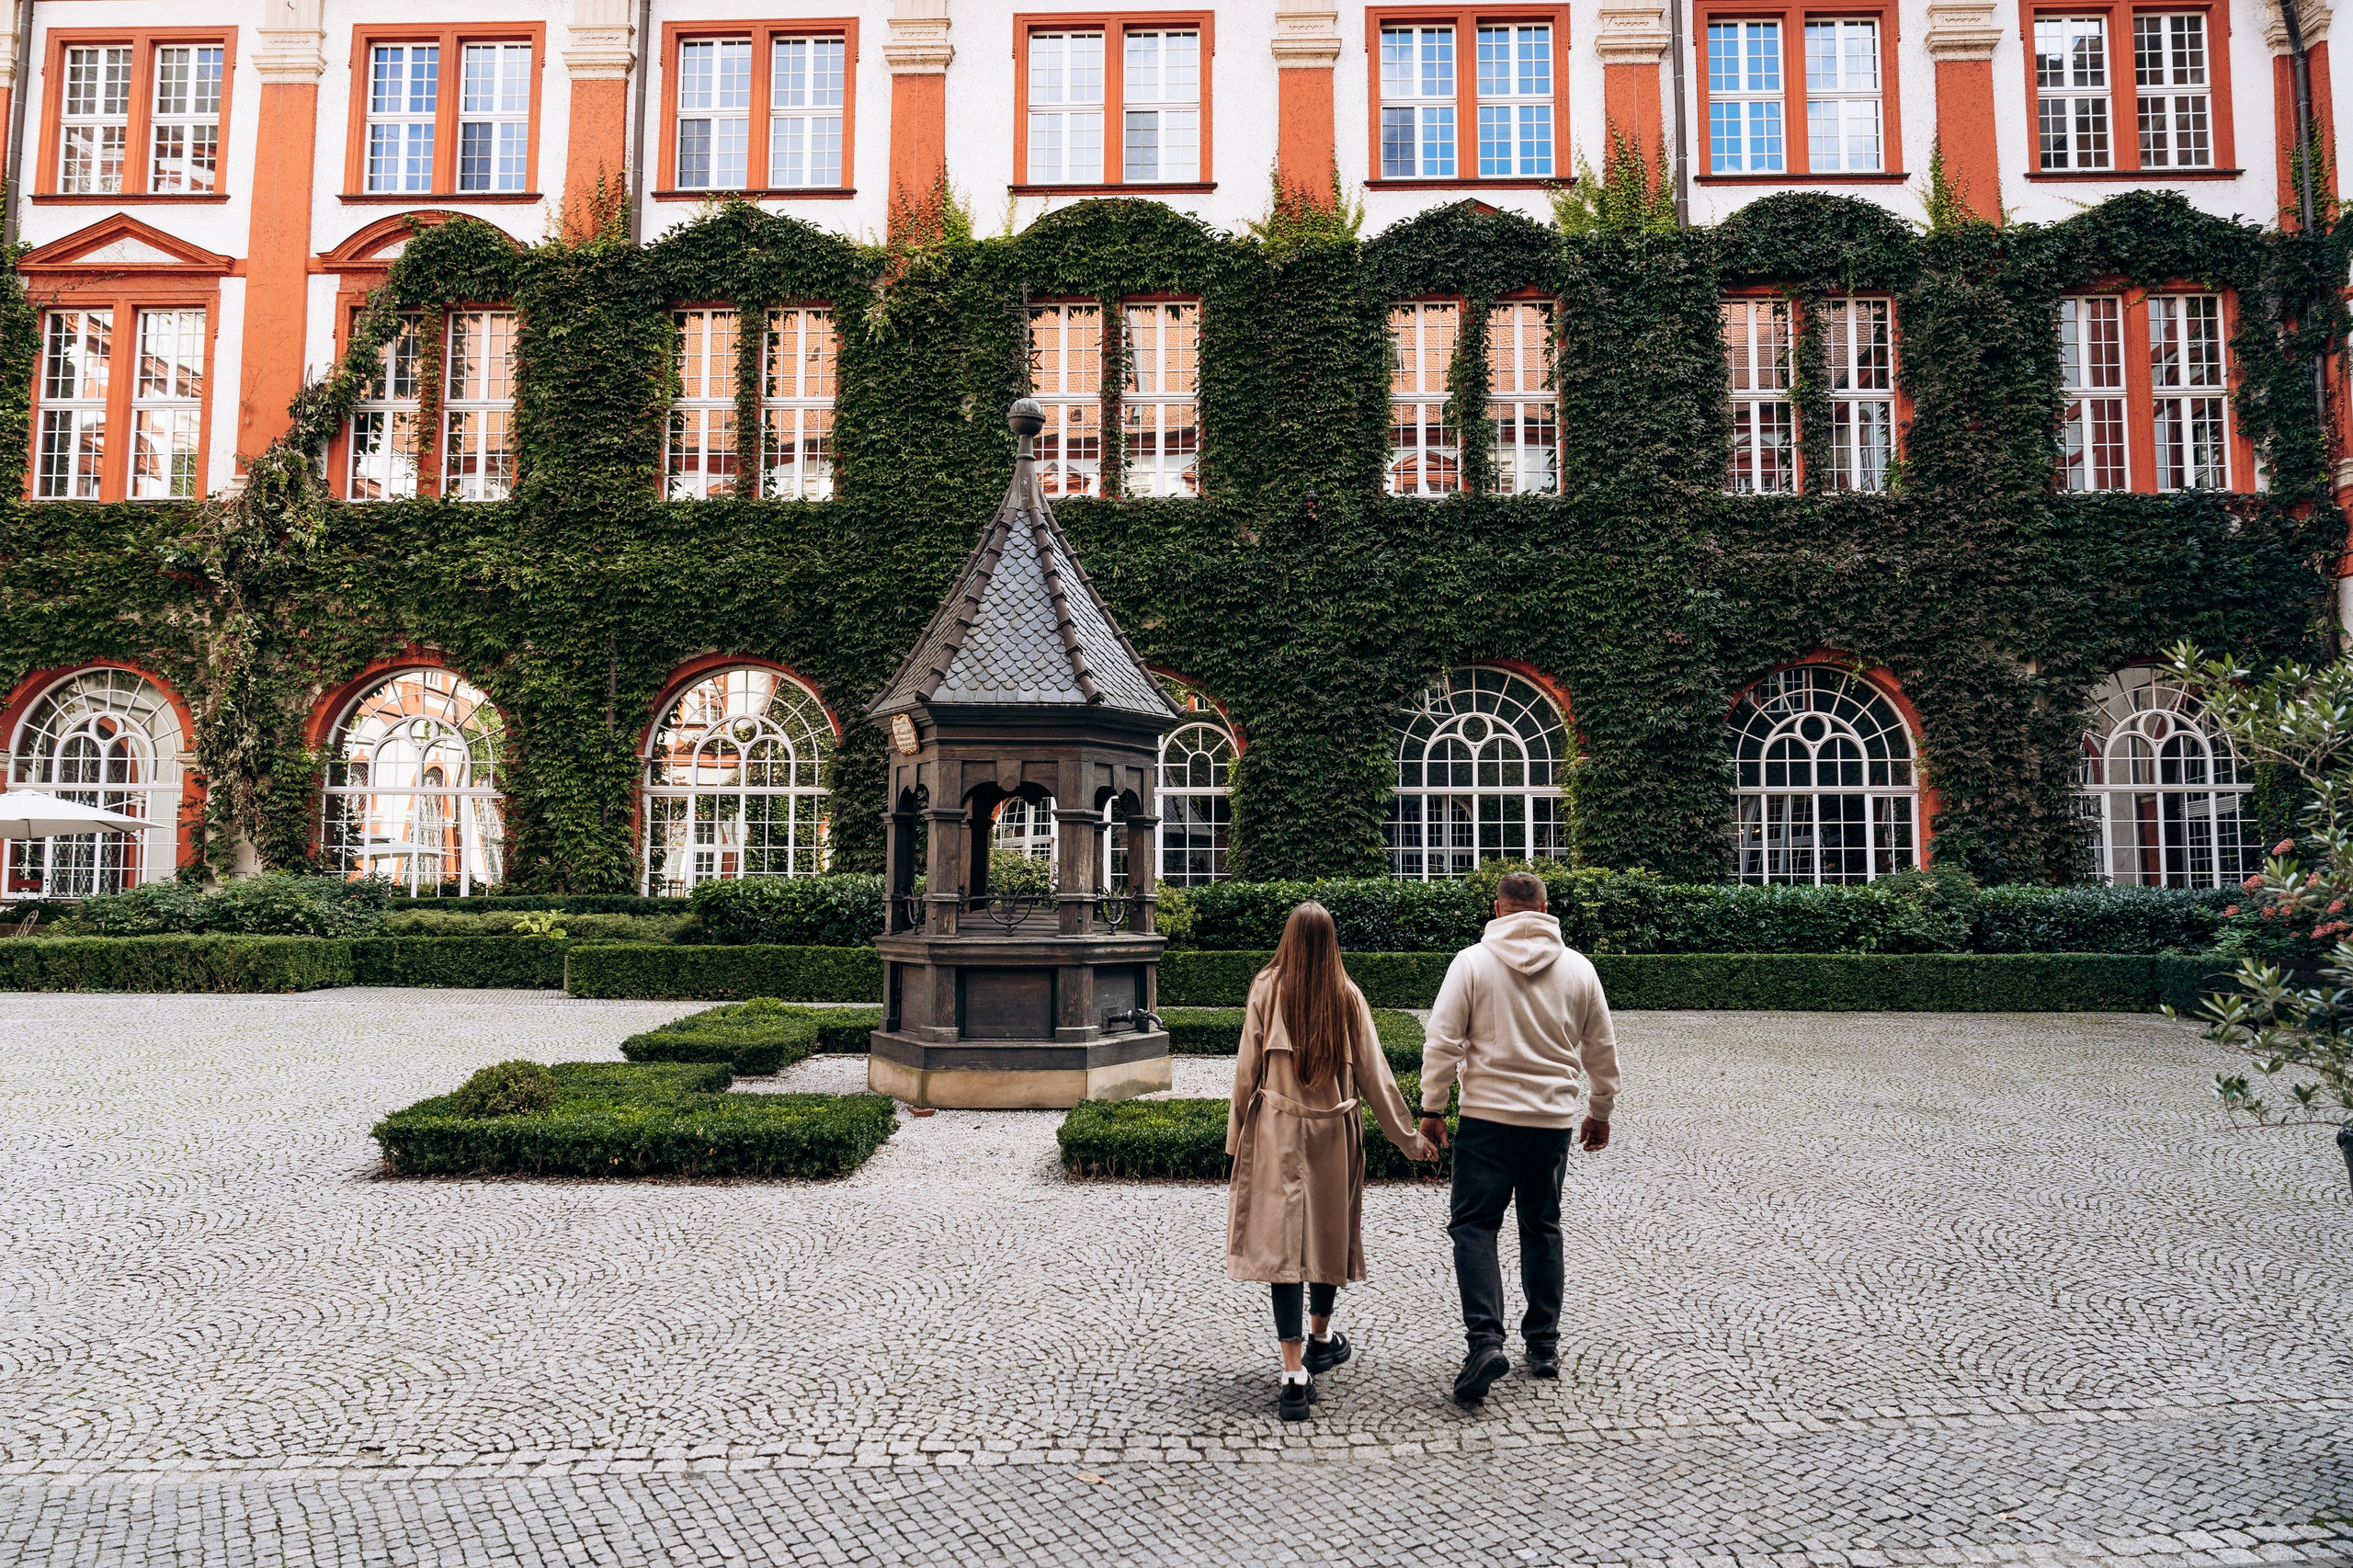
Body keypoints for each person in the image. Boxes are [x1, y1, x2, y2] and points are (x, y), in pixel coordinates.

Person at [1227, 901, 1437, 1420]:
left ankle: (1293, 1373)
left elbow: (1246, 1070)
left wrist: (1236, 1143)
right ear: (1331, 943)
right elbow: (1376, 1077)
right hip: (1334, 1134)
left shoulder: (1265, 987)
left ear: (1289, 939)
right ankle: (1320, 1338)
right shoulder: (1347, 995)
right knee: (1327, 1232)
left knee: (1283, 1247)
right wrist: (1409, 1139)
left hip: (1278, 1132)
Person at [1418, 869, 1620, 1405]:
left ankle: (1485, 1342)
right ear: (1546, 909)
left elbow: (1442, 1042)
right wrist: (1599, 1109)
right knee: (1542, 1225)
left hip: (1487, 1119)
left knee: (1474, 1227)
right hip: (1550, 1122)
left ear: (1498, 908)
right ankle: (1544, 1345)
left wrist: (1432, 1108)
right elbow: (1601, 1049)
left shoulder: (1472, 962)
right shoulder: (1579, 968)